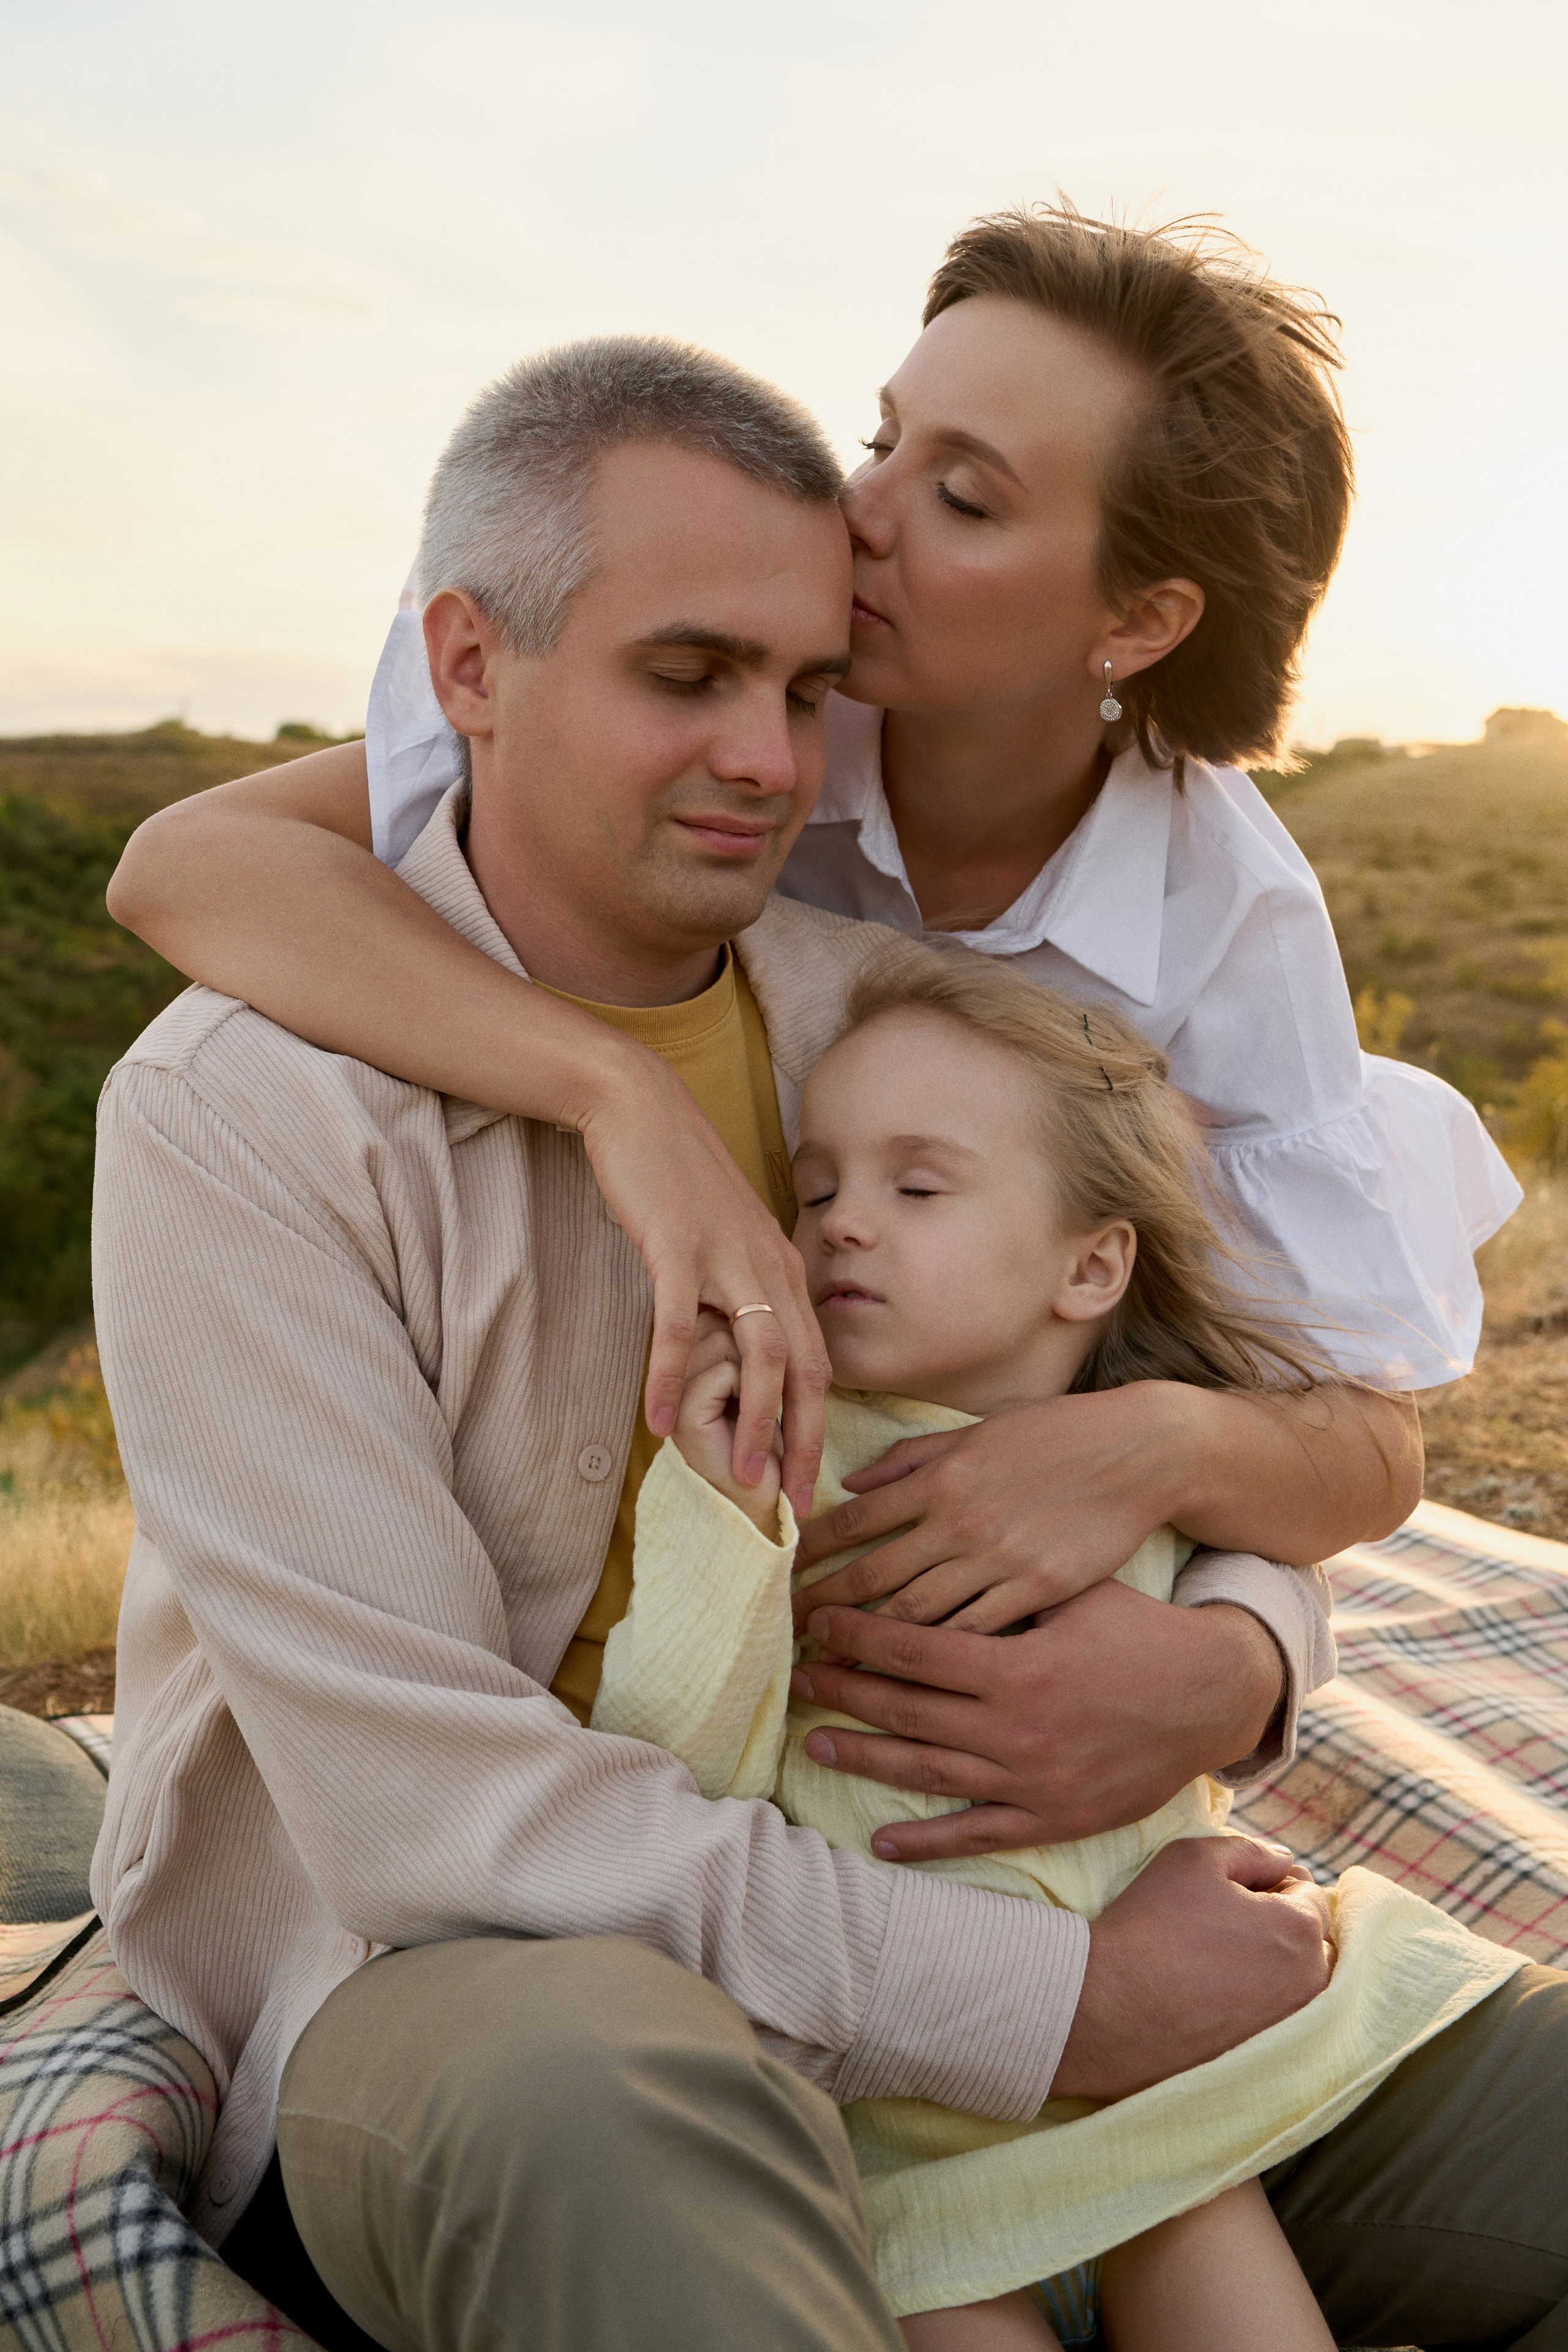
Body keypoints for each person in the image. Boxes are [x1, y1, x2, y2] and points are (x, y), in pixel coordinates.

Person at [95, 337, 1568, 2352]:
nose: (773, 763)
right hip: (478, 1986)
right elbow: (435, 1827)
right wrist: (1060, 2007)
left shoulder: (891, 1023)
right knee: (602, 2101)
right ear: (468, 668)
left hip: (1022, 1892)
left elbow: (1248, 1400)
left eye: (805, 690)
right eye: (684, 676)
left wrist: (1234, 1654)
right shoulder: (247, 1117)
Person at [107, 206, 1512, 1866]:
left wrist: (1208, 1579)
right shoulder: (736, 677)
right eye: (887, 440)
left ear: (1133, 623)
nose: (861, 516)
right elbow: (192, 865)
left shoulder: (1215, 928)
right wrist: (616, 1088)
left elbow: (1356, 1436)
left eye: (963, 497)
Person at [594, 951, 1520, 2350]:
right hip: (909, 2122)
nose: (841, 1226)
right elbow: (671, 1741)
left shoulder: (1155, 1443)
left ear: (1090, 1263)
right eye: (818, 1185)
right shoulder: (783, 1457)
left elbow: (1297, 1536)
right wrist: (721, 1510)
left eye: (916, 1188)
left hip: (1182, 2104)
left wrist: (1238, 1650)